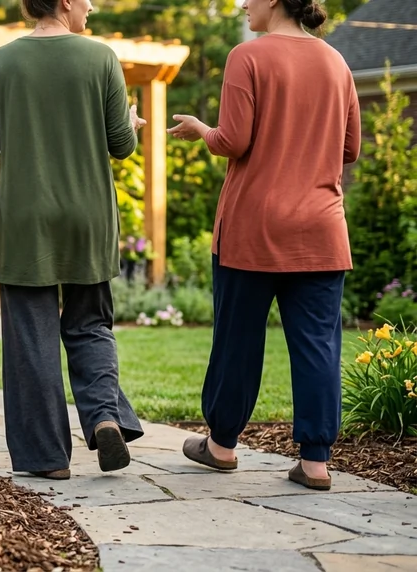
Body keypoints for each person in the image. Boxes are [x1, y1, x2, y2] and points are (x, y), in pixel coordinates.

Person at [0, 0, 146, 480]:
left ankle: (47, 458)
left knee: (31, 338)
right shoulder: (102, 59)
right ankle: (103, 416)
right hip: (88, 215)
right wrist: (132, 123)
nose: (92, 5)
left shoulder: (2, 61)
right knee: (90, 324)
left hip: (25, 220)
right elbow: (122, 145)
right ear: (67, 1)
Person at [167, 0, 360, 491]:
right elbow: (350, 149)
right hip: (321, 230)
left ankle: (221, 446)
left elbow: (232, 139)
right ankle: (315, 462)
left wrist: (200, 131)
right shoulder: (336, 61)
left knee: (238, 338)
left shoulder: (247, 56)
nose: (243, 4)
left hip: (253, 229)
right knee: (318, 345)